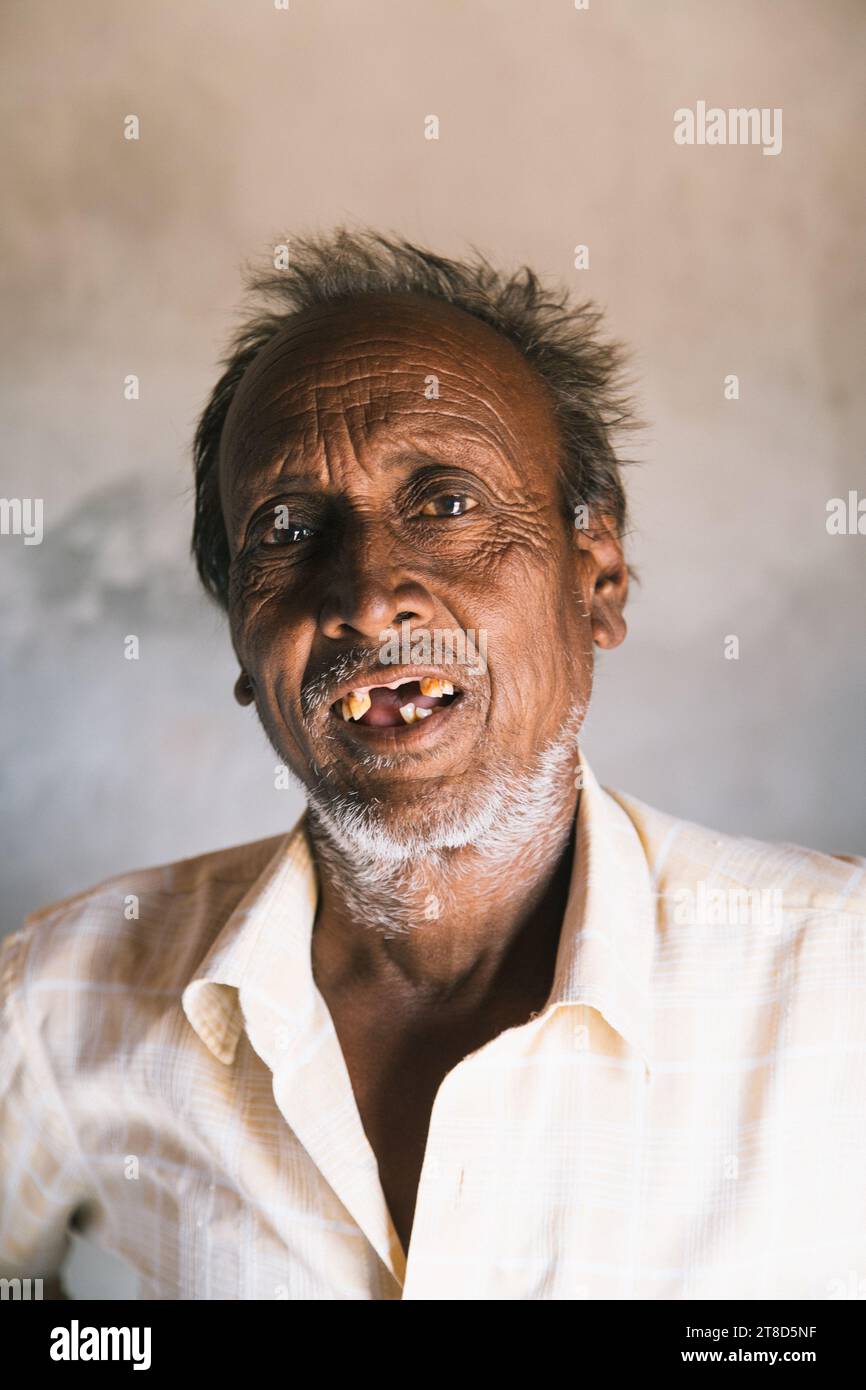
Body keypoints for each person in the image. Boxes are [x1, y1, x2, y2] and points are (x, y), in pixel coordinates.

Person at [1, 229, 863, 1300]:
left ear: (593, 580)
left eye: (446, 502)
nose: (366, 595)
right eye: (285, 528)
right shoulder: (62, 997)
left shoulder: (839, 982)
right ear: (239, 639)